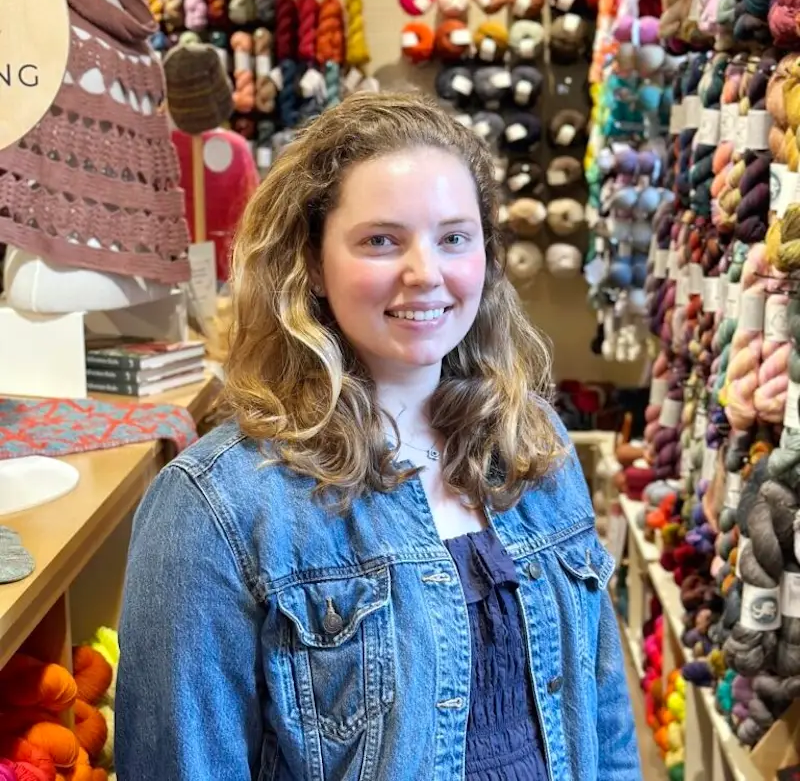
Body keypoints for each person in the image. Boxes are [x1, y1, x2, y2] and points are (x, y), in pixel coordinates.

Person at [115, 91, 640, 781]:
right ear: (311, 262)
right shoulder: (218, 507)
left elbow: (605, 722)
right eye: (381, 241)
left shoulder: (533, 446)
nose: (426, 273)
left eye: (454, 237)